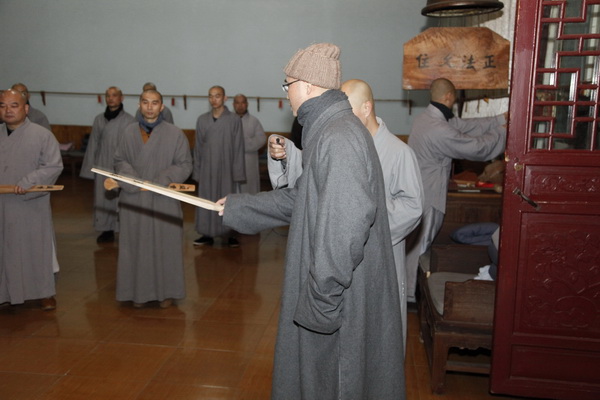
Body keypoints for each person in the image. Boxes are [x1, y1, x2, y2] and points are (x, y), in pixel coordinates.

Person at [217, 43, 406, 400]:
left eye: (287, 86)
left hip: (340, 299)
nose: (286, 95)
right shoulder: (329, 128)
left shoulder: (338, 136)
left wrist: (321, 304)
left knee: (335, 381)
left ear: (306, 85)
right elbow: (301, 198)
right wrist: (238, 208)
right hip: (337, 293)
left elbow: (345, 227)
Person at [267, 78, 424, 350]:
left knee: (376, 330)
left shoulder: (400, 153)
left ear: (366, 108)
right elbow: (313, 182)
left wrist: (362, 211)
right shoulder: (338, 140)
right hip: (338, 253)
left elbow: (413, 207)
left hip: (378, 253)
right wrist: (287, 155)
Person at [405, 77, 507, 302]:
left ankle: (410, 292)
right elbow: (476, 148)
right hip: (428, 193)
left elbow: (466, 126)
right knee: (419, 247)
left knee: (418, 245)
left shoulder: (428, 118)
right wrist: (502, 131)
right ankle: (410, 296)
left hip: (422, 188)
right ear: (449, 97)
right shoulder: (438, 129)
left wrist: (500, 119)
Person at [113, 89, 192, 308]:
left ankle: (166, 292)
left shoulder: (175, 134)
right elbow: (119, 160)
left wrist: (162, 179)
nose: (150, 107)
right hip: (133, 198)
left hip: (163, 198)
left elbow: (185, 164)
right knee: (135, 245)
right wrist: (132, 179)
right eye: (145, 102)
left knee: (165, 246)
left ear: (162, 107)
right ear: (139, 105)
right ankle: (136, 292)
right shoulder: (127, 132)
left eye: (154, 103)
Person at [0, 89, 63, 310]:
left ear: (26, 108)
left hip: (30, 204)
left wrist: (27, 182)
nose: (8, 110)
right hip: (2, 204)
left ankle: (43, 293)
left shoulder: (41, 135)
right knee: (4, 249)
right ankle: (5, 293)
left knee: (35, 248)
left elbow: (54, 165)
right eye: (3, 105)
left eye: (14, 105)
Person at [80, 86, 135, 243]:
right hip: (102, 165)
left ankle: (123, 228)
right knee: (103, 198)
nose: (111, 98)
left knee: (122, 198)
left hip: (121, 166)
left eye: (114, 95)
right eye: (108, 95)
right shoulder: (99, 119)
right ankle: (106, 229)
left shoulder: (130, 120)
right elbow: (93, 144)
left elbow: (132, 147)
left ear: (121, 98)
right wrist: (90, 168)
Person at [193, 86, 245, 248]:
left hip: (226, 168)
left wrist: (237, 173)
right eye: (211, 96)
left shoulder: (234, 120)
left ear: (225, 98)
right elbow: (198, 147)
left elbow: (238, 147)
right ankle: (206, 233)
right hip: (207, 168)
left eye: (217, 96)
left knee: (227, 200)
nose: (213, 99)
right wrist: (197, 171)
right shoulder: (202, 120)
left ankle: (230, 234)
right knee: (207, 199)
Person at [233, 94, 266, 195]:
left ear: (247, 104)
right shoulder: (228, 120)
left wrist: (242, 144)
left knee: (249, 189)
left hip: (249, 160)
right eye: (237, 103)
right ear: (233, 105)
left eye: (242, 102)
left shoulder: (254, 121)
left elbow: (261, 139)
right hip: (232, 160)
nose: (240, 105)